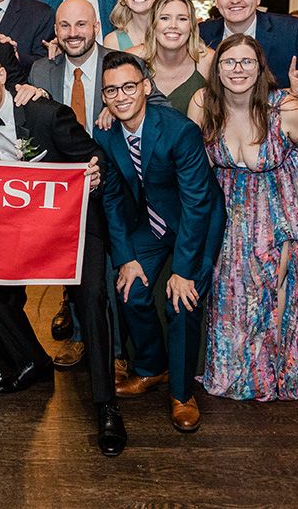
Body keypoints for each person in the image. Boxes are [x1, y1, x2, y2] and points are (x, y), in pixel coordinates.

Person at [0, 43, 126, 456]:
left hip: (75, 224)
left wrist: (94, 175)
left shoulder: (46, 114)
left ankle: (107, 405)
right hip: (19, 231)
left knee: (92, 298)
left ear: (2, 77)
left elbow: (96, 158)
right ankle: (31, 360)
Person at [28, 0, 165, 374]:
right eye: (65, 26)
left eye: (81, 25)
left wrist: (123, 107)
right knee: (72, 265)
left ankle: (116, 350)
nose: (73, 34)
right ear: (55, 31)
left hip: (116, 183)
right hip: (63, 189)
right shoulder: (41, 70)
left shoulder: (119, 65)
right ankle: (78, 336)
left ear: (95, 28)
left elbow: (158, 105)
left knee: (111, 266)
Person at [188, 34, 298, 401]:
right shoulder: (203, 104)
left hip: (283, 206)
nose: (238, 69)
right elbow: (197, 163)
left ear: (260, 67)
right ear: (216, 69)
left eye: (247, 62)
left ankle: (276, 374)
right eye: (229, 62)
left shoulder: (289, 111)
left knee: (276, 290)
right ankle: (238, 370)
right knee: (233, 292)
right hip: (231, 208)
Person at [96, 52, 225, 433]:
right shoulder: (104, 132)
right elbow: (113, 198)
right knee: (130, 290)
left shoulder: (178, 130)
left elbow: (197, 203)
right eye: (111, 90)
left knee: (181, 303)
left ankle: (183, 394)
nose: (121, 96)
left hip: (194, 222)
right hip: (149, 223)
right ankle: (152, 368)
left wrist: (184, 271)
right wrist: (126, 256)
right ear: (104, 96)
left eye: (129, 87)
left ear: (146, 88)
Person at [130, 0, 214, 116]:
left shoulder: (207, 61)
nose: (173, 25)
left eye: (182, 19)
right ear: (153, 24)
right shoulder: (132, 59)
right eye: (164, 18)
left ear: (192, 26)